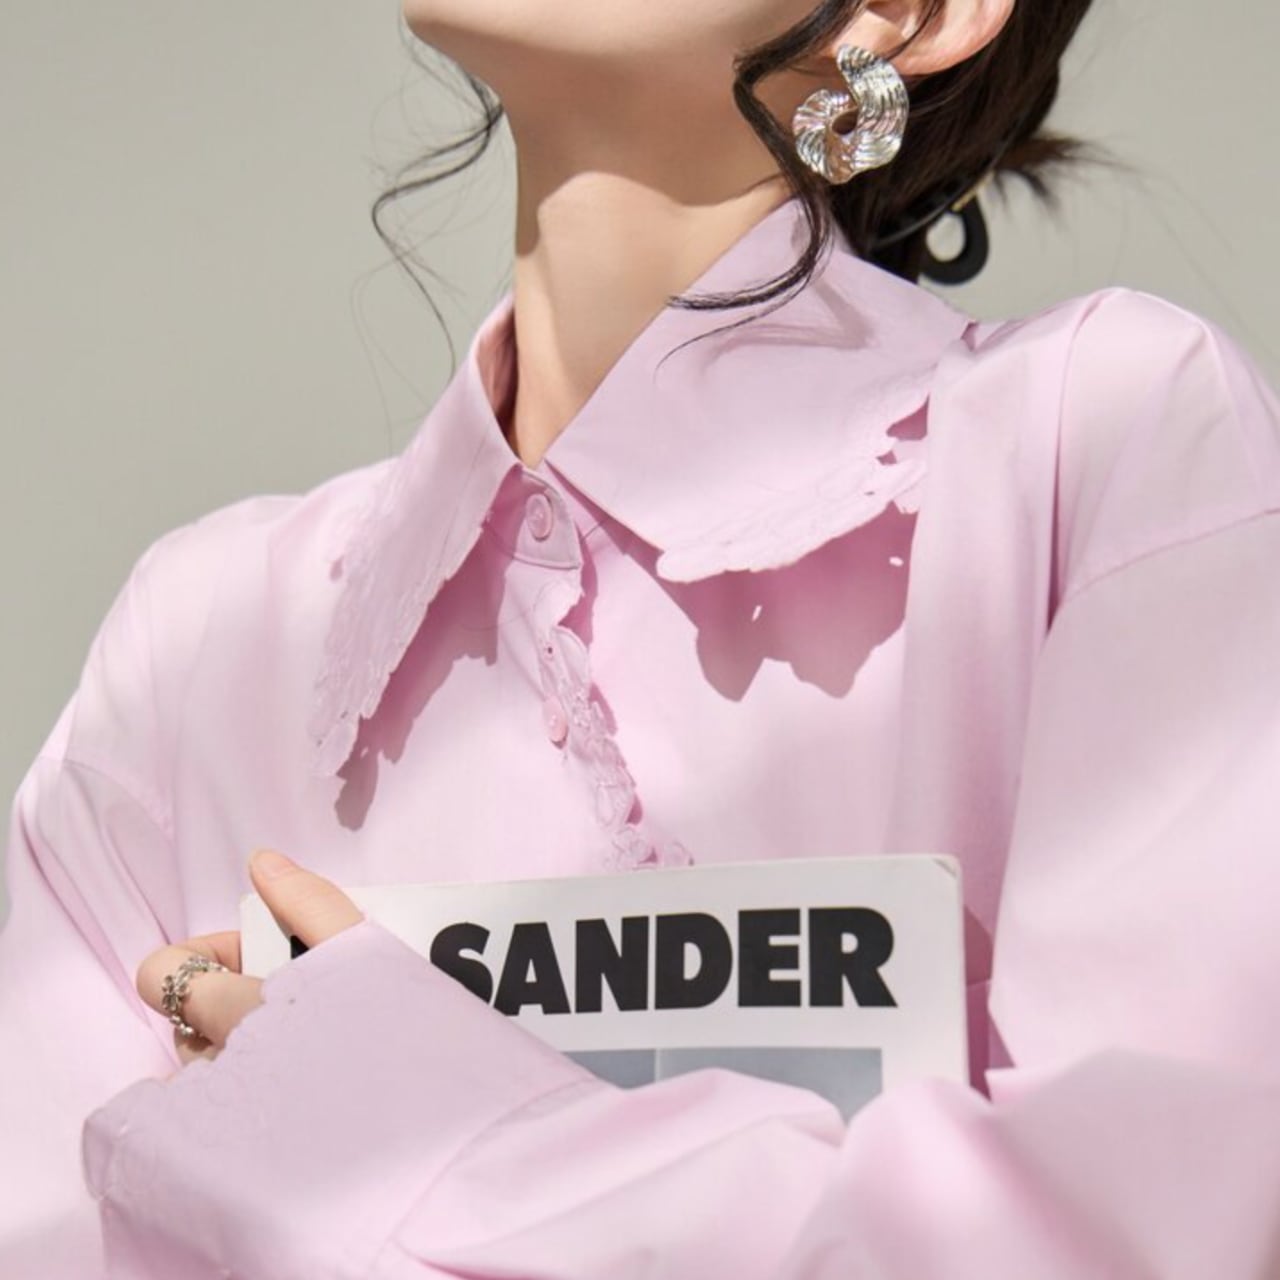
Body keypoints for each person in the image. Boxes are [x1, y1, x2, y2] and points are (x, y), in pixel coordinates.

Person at [3, 0, 1279, 1274]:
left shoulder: (1101, 449)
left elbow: (1139, 1237)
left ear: (907, 14)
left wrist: (426, 1132)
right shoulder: (197, 650)